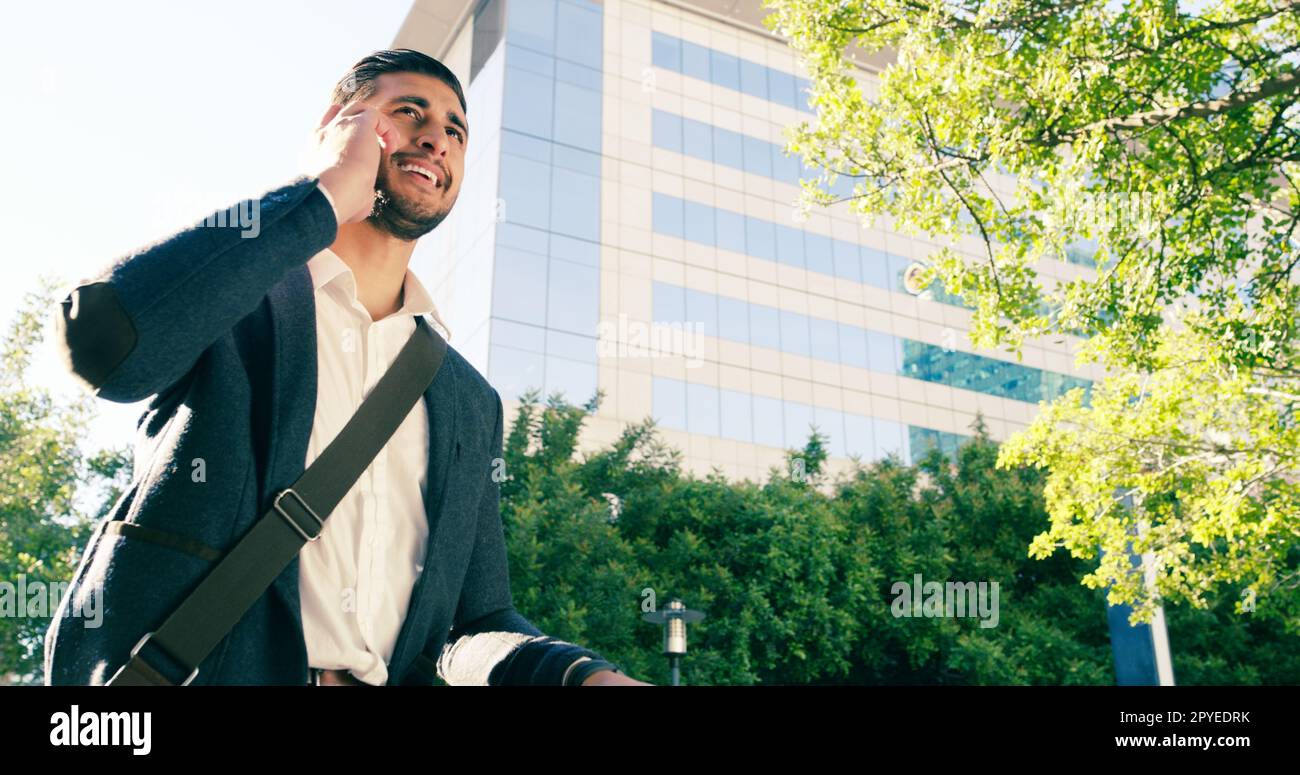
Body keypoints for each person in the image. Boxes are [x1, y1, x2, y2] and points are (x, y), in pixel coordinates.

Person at [44, 48, 649, 686]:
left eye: (455, 130)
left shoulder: (469, 399)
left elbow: (476, 620)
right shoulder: (235, 297)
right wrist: (325, 191)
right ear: (340, 123)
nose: (435, 138)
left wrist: (579, 675)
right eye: (407, 111)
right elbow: (104, 345)